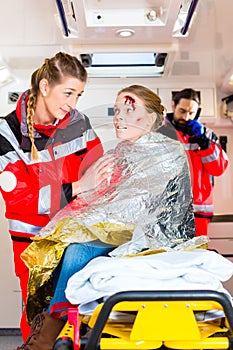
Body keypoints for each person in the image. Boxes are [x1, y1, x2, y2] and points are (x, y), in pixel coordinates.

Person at [15, 85, 196, 350]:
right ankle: (55, 324)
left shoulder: (166, 152)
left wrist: (84, 223)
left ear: (151, 118)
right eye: (117, 110)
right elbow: (101, 197)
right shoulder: (120, 152)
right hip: (121, 230)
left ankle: (49, 332)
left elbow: (135, 207)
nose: (119, 117)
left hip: (153, 234)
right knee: (57, 247)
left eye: (129, 110)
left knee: (77, 251)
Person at [0, 51, 114, 341]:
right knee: (38, 323)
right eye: (68, 93)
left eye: (79, 95)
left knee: (76, 319)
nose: (73, 104)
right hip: (32, 244)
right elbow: (20, 199)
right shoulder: (6, 132)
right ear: (45, 87)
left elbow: (99, 173)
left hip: (76, 239)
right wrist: (77, 188)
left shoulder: (79, 122)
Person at [157, 88, 228, 236]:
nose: (187, 117)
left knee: (196, 255)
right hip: (167, 210)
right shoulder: (160, 132)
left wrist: (206, 146)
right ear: (173, 105)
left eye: (191, 113)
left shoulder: (206, 135)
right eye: (182, 111)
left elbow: (218, 169)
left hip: (199, 210)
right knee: (168, 256)